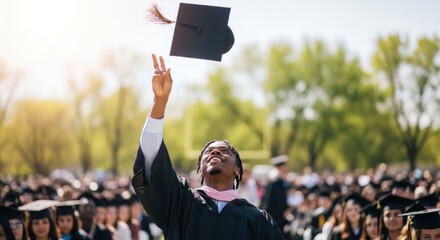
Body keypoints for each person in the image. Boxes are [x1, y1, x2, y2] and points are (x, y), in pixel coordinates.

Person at [131, 54, 284, 239]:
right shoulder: (181, 203)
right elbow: (151, 158)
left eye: (225, 151)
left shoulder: (258, 220)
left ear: (237, 170)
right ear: (201, 172)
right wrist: (160, 101)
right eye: (208, 152)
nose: (216, 151)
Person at [260, 155, 290, 237]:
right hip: (276, 215)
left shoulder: (272, 180)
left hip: (270, 213)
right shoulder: (277, 182)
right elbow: (279, 200)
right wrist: (285, 209)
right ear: (281, 167)